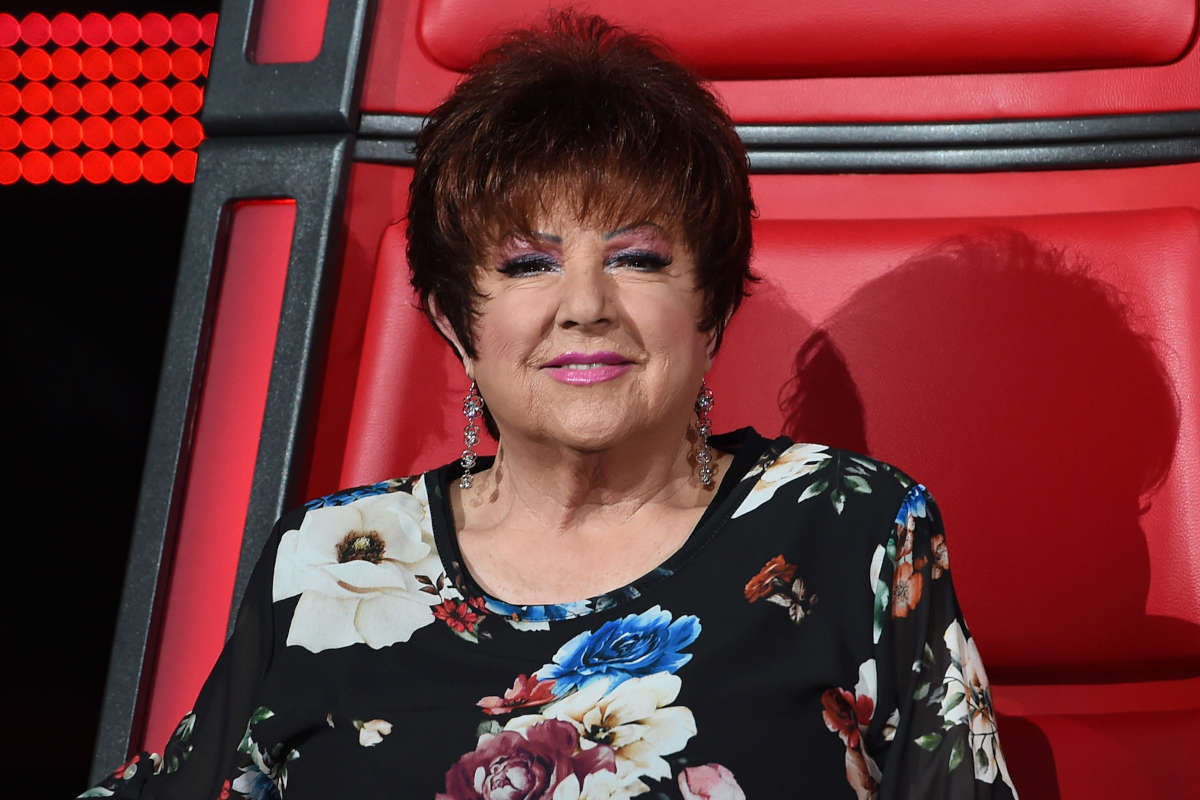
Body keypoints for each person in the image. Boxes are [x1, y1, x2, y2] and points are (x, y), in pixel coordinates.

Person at [81, 13, 1017, 800]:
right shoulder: (331, 559)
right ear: (456, 324)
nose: (585, 305)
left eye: (637, 258)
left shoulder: (853, 529)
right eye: (529, 264)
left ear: (712, 311)